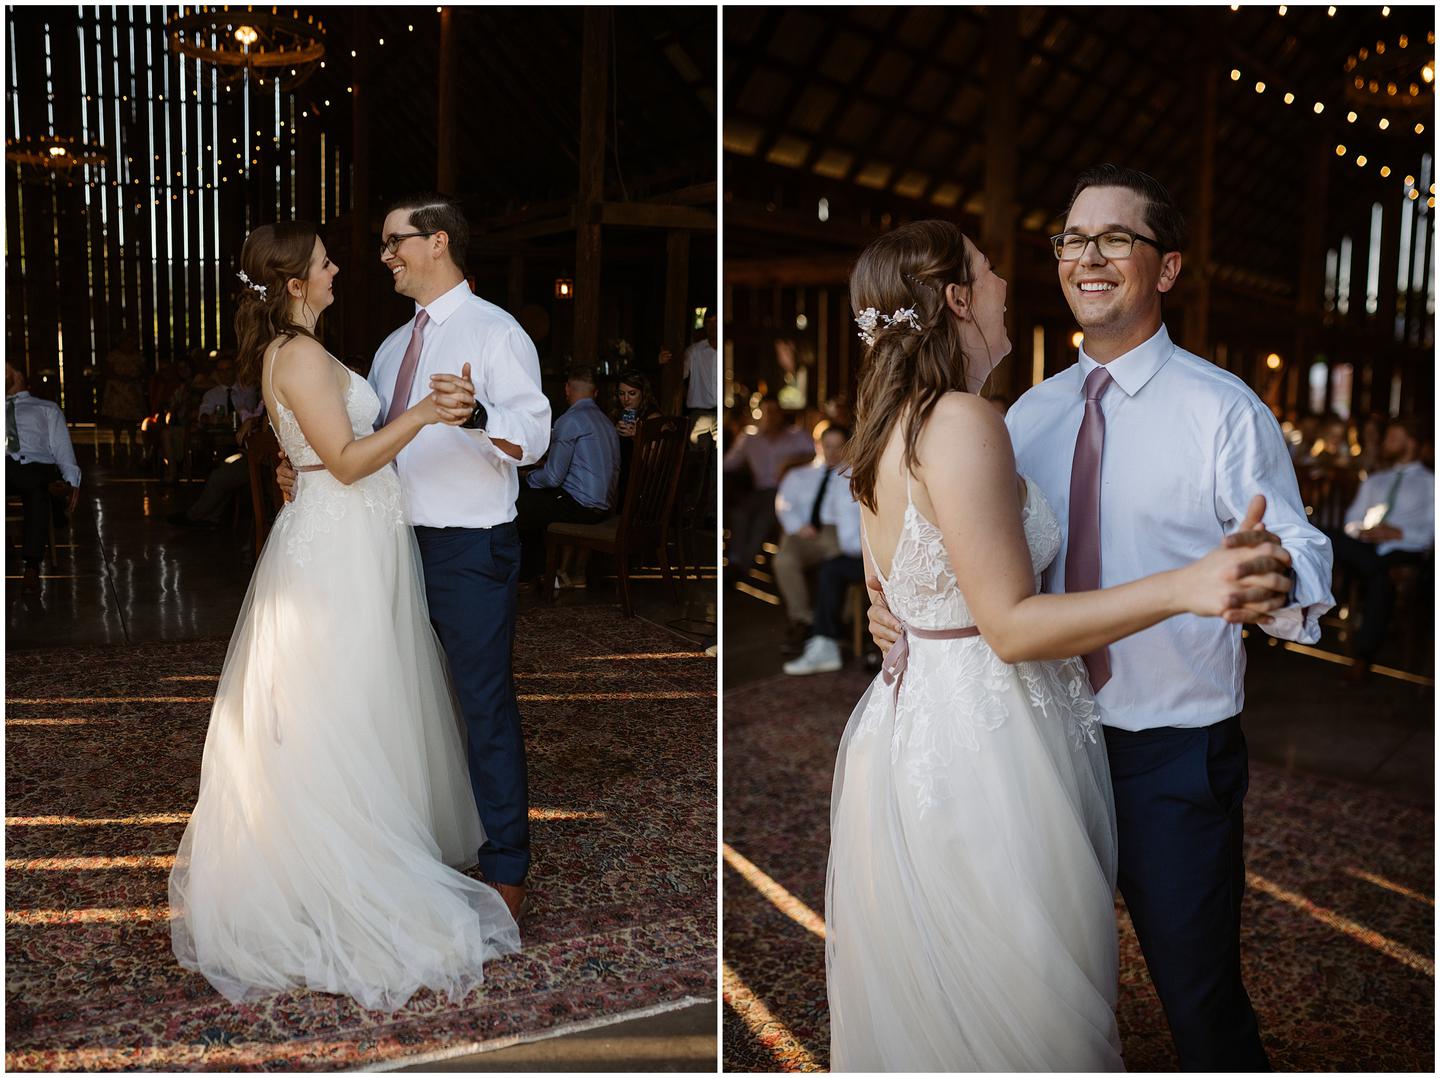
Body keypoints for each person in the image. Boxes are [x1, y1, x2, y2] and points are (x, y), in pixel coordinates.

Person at [864, 170, 1333, 1070]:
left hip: (1168, 753)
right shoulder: (1020, 417)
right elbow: (962, 565)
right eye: (1073, 240)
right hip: (1028, 748)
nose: (1087, 257)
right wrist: (899, 620)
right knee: (1043, 995)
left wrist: (1272, 577)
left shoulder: (1222, 410)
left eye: (1116, 239)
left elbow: (1297, 546)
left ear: (1165, 269)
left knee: (1198, 1003)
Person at [168, 220, 519, 1010]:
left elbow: (320, 454)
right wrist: (428, 415)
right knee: (338, 701)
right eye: (324, 262)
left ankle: (358, 840)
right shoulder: (296, 354)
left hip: (349, 538)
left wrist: (308, 467)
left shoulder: (301, 352)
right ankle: (337, 869)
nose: (338, 269)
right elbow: (351, 462)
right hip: (338, 548)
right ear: (296, 284)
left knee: (349, 700)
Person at [278, 193, 550, 920]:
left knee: (482, 705)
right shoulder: (394, 348)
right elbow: (360, 448)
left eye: (396, 242)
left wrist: (482, 415)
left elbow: (536, 433)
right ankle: (407, 847)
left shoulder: (496, 332)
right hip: (383, 546)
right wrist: (302, 469)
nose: (385, 256)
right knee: (393, 703)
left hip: (467, 548)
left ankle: (505, 869)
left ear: (437, 242)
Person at [1330, 416, 1434, 682]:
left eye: (1393, 438)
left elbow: (1431, 532)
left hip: (1405, 549)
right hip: (1367, 548)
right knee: (1327, 536)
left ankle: (1362, 658)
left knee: (1380, 577)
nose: (1386, 443)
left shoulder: (1430, 483)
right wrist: (1363, 532)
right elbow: (1350, 521)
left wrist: (1398, 533)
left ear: (1410, 444)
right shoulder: (1376, 480)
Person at [516, 365, 620, 582]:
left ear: (566, 389)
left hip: (581, 506)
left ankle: (533, 575)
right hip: (605, 506)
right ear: (595, 393)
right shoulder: (607, 422)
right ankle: (550, 573)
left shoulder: (569, 420)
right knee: (536, 500)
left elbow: (553, 478)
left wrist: (526, 477)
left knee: (518, 504)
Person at [782, 452, 863, 676]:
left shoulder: (852, 476)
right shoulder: (805, 476)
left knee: (833, 568)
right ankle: (817, 631)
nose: (833, 452)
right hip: (840, 542)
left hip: (870, 551)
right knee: (830, 568)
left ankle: (827, 636)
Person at [772, 424, 850, 646]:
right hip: (803, 532)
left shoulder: (853, 475)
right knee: (784, 560)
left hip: (838, 532)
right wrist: (798, 526)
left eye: (838, 447)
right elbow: (784, 504)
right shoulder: (798, 475)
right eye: (828, 446)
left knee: (842, 564)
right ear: (818, 445)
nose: (833, 452)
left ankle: (836, 624)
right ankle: (803, 620)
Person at [722, 396, 815, 583]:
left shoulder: (796, 435)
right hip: (759, 491)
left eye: (774, 412)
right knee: (740, 515)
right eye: (767, 412)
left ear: (781, 414)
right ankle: (735, 561)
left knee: (763, 520)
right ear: (759, 414)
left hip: (787, 493)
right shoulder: (750, 438)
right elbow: (727, 464)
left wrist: (790, 462)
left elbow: (815, 457)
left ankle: (740, 568)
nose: (771, 416)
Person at [6, 362, 81, 592]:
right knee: (41, 488)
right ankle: (54, 492)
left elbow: (61, 448)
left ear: (19, 375)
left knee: (38, 492)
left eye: (6, 368)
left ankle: (31, 567)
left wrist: (71, 481)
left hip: (37, 464)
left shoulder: (46, 408)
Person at [612, 366, 662, 504]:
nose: (626, 399)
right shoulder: (618, 415)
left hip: (646, 486)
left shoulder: (653, 417)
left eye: (632, 393)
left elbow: (655, 464)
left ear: (643, 393)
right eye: (621, 393)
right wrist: (613, 435)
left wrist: (637, 437)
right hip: (622, 482)